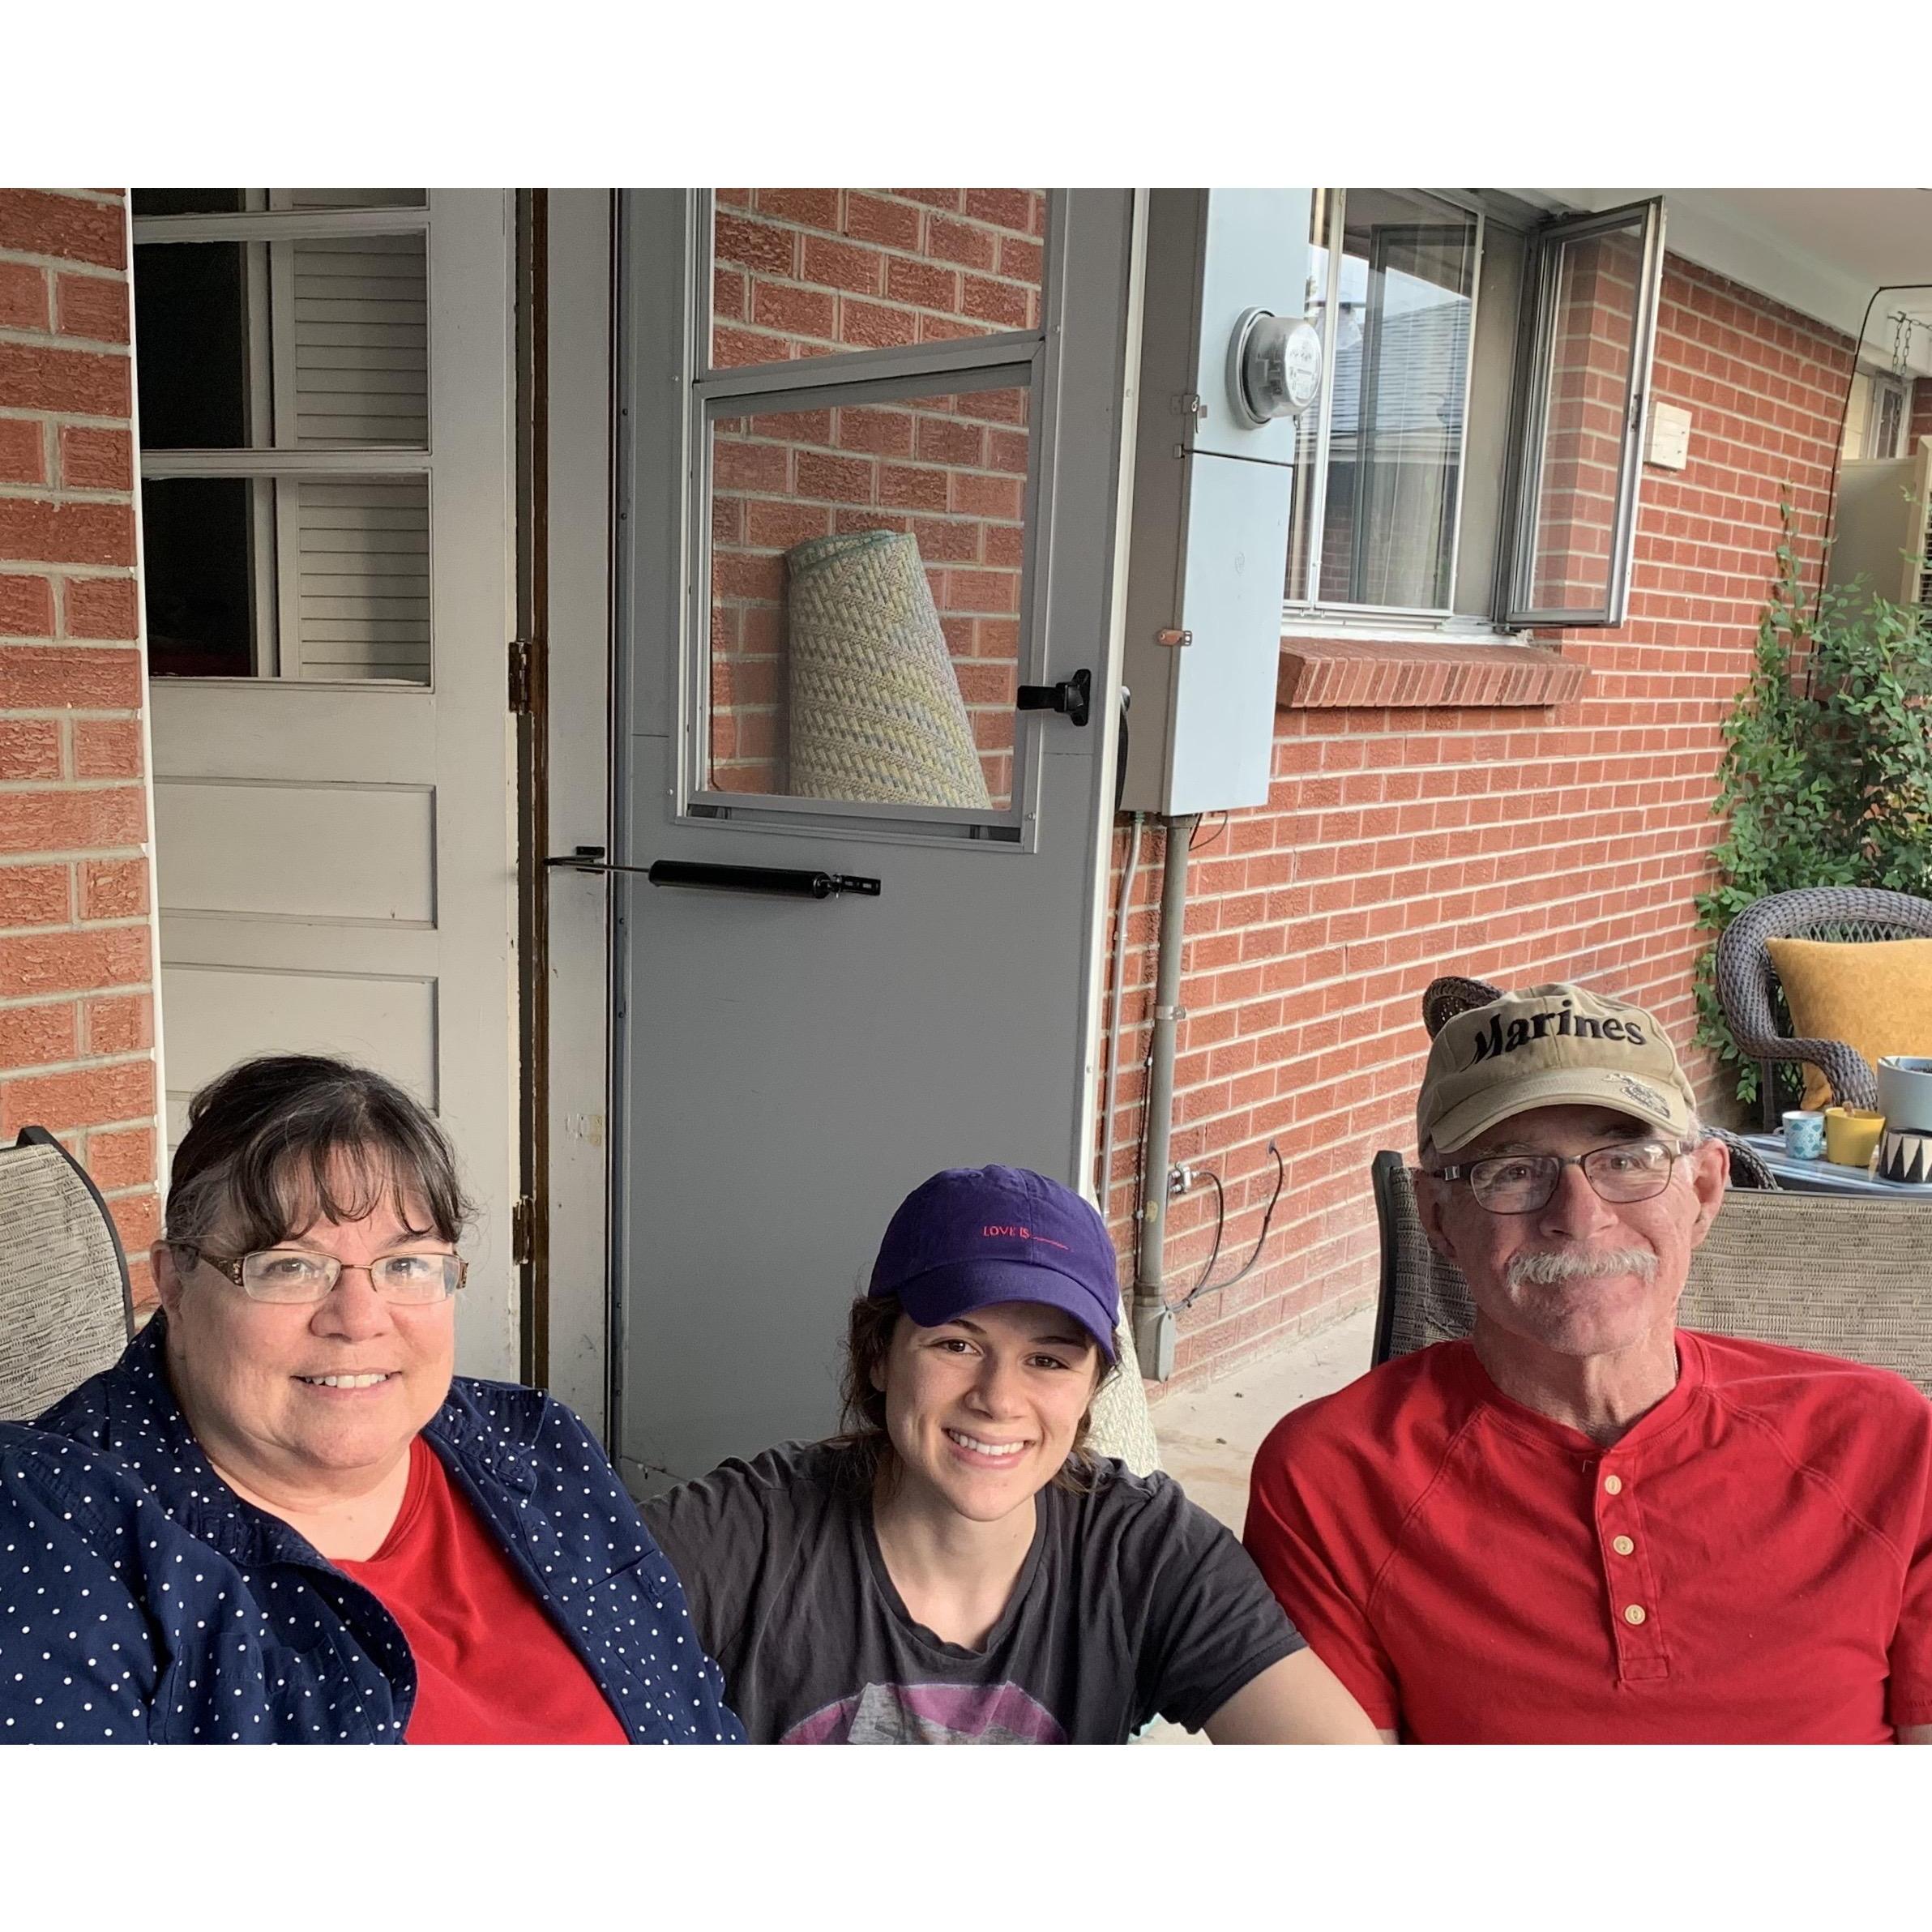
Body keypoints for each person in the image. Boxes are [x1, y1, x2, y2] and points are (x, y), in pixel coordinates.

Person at [1244, 981, 1932, 1744]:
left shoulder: (1887, 1440)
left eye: (1629, 1159)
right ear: (1437, 1215)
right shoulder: (1334, 1476)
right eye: (1512, 1171)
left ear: (1705, 1189)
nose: (1579, 1217)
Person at [0, 1054, 740, 1744]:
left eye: (406, 1263)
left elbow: (697, 1716)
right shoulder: (53, 1533)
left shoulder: (535, 1443)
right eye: (290, 1266)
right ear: (174, 1284)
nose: (358, 1320)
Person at [642, 1163, 1378, 1745]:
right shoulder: (746, 1536)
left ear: (1090, 1389)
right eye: (956, 1345)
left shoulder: (1142, 1553)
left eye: (1048, 1361)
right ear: (878, 1356)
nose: (998, 1399)